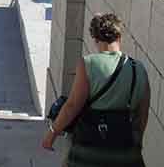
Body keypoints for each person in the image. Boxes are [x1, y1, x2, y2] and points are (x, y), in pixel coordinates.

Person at [42, 13, 150, 167]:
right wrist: (136, 144)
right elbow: (142, 115)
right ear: (119, 36)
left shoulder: (89, 64)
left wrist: (53, 132)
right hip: (126, 153)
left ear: (95, 38)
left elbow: (72, 106)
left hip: (88, 152)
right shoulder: (138, 69)